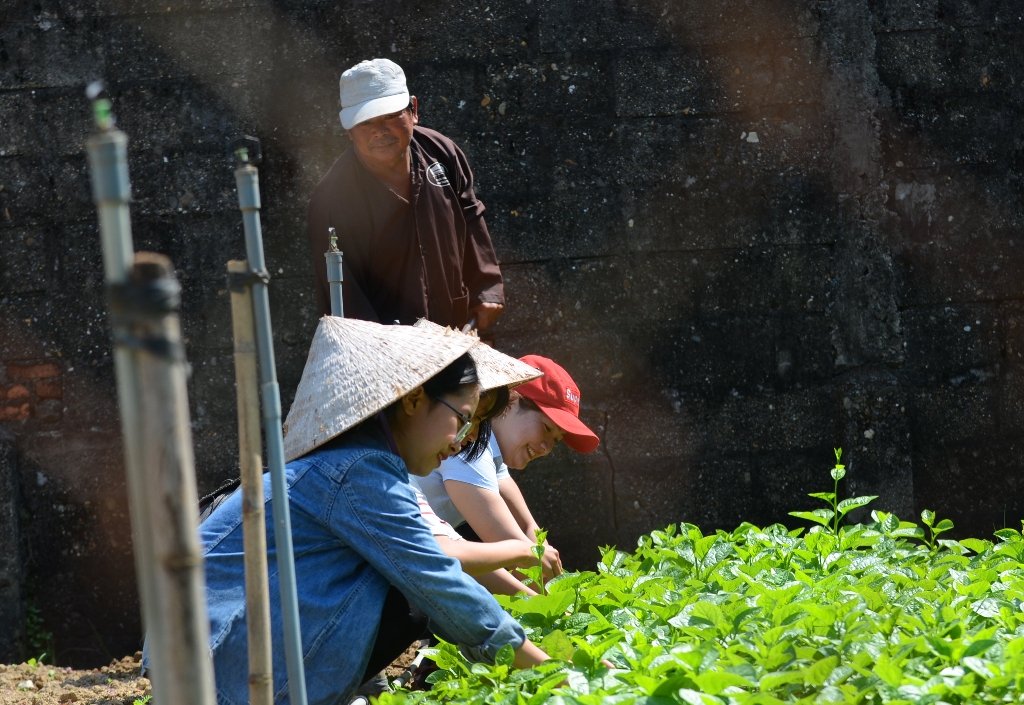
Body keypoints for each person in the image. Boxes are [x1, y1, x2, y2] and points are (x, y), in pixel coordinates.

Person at [199, 318, 547, 704]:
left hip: (215, 648)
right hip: (216, 662)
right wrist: (554, 672)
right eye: (463, 419)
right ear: (414, 399)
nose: (463, 442)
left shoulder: (371, 463)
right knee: (413, 592)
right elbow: (439, 581)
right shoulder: (359, 470)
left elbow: (436, 559)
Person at [307, 58, 505, 330]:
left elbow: (470, 216)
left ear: (413, 109)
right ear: (349, 130)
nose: (379, 131)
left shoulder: (441, 153)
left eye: (390, 116)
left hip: (457, 331)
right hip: (388, 353)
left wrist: (486, 289)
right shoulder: (333, 200)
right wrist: (386, 354)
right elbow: (343, 296)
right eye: (365, 122)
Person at [413, 356, 600, 582]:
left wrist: (559, 591)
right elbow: (519, 558)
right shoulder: (468, 447)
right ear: (511, 398)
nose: (547, 448)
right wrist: (557, 608)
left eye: (556, 440)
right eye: (546, 428)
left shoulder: (490, 453)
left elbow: (528, 530)